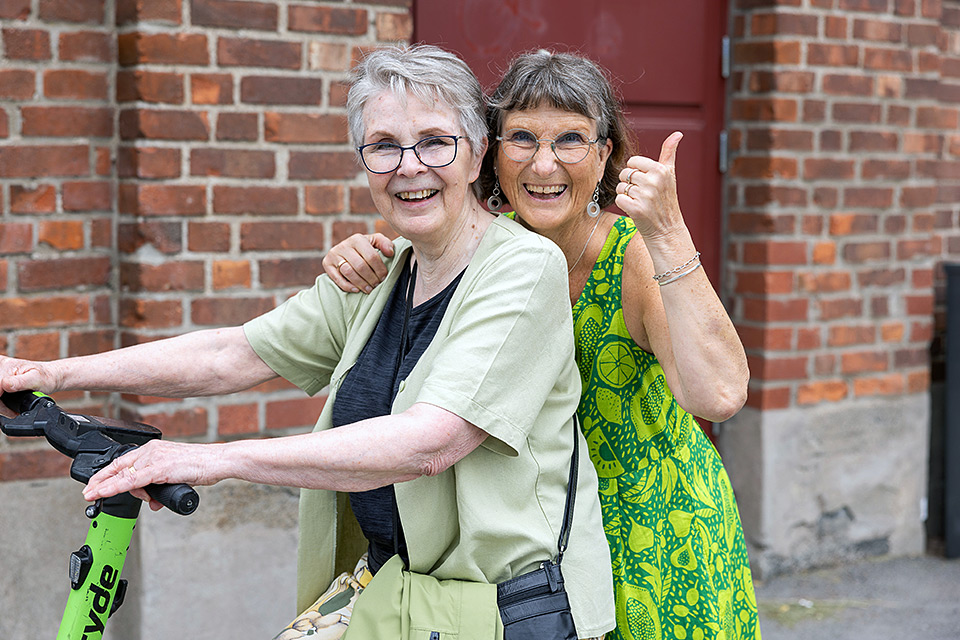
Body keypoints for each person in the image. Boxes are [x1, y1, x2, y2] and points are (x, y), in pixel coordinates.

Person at [0, 46, 614, 640]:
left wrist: (211, 460)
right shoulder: (382, 271)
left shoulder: (523, 268)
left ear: (478, 151)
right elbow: (232, 354)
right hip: (392, 589)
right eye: (383, 146)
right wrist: (49, 372)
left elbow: (432, 441)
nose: (409, 166)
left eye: (434, 141)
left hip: (501, 609)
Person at [322, 50, 761, 640]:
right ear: (490, 151)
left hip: (653, 531)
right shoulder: (478, 250)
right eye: (522, 137)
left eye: (572, 139)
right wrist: (358, 257)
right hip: (537, 542)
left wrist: (668, 233)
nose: (544, 163)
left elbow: (721, 394)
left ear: (605, 154)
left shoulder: (632, 257)